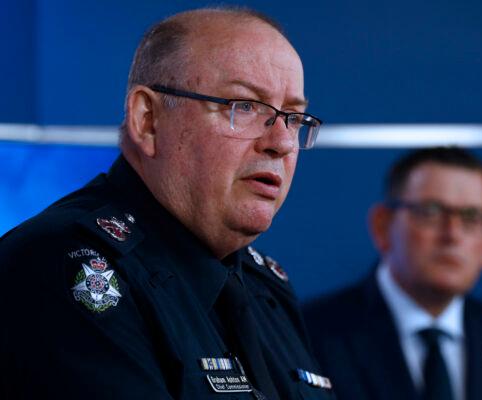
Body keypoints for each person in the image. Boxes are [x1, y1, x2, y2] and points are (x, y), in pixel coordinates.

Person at [0, 7, 334, 400]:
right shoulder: (64, 265)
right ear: (148, 120)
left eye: (293, 117)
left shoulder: (267, 288)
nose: (280, 143)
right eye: (244, 106)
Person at [303, 147, 482, 400]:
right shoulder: (310, 336)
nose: (452, 235)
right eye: (431, 212)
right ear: (383, 226)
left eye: (471, 217)